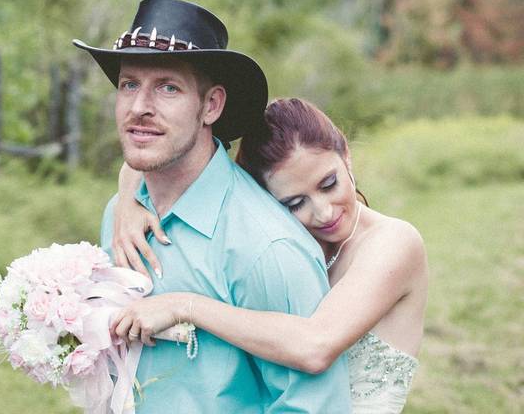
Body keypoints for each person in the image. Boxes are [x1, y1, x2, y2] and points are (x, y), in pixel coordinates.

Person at [73, 0, 351, 413]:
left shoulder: (266, 247)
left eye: (168, 87)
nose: (139, 107)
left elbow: (315, 405)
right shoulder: (120, 213)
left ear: (211, 106)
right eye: (129, 84)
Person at [110, 97, 428, 413]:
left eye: (328, 184)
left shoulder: (393, 243)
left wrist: (185, 306)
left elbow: (316, 347)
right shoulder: (281, 244)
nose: (324, 212)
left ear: (346, 155)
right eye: (295, 203)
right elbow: (155, 159)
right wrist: (129, 198)